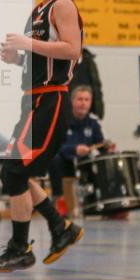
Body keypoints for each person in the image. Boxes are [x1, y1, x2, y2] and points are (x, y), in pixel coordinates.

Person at [0, 0, 85, 273]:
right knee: (12, 171)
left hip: (51, 100)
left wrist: (26, 43)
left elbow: (73, 50)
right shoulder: (39, 10)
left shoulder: (63, 6)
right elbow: (41, 59)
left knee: (15, 170)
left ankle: (21, 247)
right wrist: (18, 59)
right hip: (33, 99)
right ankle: (59, 227)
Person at [47, 85, 114, 213]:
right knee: (54, 158)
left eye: (87, 100)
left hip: (85, 163)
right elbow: (54, 145)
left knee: (106, 160)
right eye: (80, 99)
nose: (83, 103)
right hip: (65, 160)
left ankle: (103, 201)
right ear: (72, 101)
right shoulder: (61, 119)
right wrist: (74, 149)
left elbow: (100, 144)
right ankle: (58, 198)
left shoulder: (93, 122)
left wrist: (108, 148)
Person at [69, 47, 104, 119]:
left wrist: (99, 110)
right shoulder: (66, 59)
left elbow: (96, 87)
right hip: (69, 107)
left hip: (88, 110)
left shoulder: (89, 60)